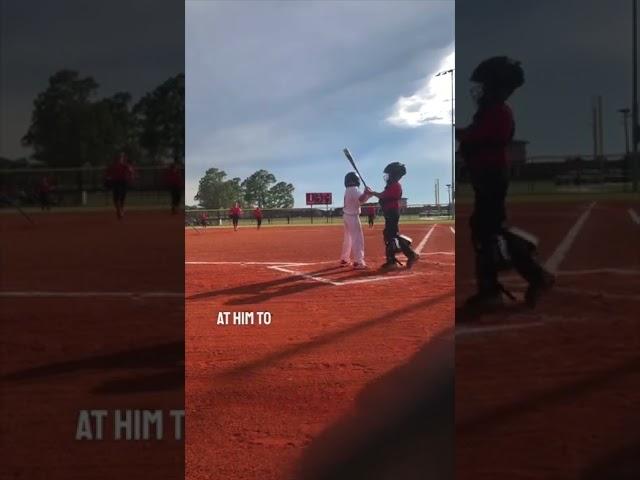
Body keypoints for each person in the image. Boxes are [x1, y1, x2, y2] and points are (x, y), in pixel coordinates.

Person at [456, 56, 554, 310]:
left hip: (491, 177)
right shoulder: (490, 111)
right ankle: (519, 281)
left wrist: (460, 135)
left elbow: (477, 138)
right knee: (487, 229)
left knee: (487, 231)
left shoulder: (498, 112)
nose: (481, 89)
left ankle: (503, 287)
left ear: (499, 86)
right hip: (486, 176)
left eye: (487, 84)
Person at [366, 163, 419, 270]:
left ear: (395, 175)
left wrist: (372, 192)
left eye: (389, 174)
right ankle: (393, 260)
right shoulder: (391, 185)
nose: (387, 176)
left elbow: (383, 195)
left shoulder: (396, 186)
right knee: (389, 235)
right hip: (389, 213)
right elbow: (383, 197)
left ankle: (408, 256)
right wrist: (373, 194)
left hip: (392, 213)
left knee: (392, 235)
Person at [340, 172, 369, 269]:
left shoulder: (348, 190)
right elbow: (361, 200)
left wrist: (368, 194)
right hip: (352, 216)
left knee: (348, 238)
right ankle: (359, 261)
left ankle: (344, 258)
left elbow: (361, 199)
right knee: (357, 239)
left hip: (346, 216)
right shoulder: (354, 189)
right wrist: (366, 193)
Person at [105, 152, 135, 220]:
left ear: (122, 158)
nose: (119, 158)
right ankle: (119, 210)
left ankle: (121, 209)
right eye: (118, 157)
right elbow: (107, 172)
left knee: (122, 197)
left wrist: (131, 177)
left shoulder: (125, 165)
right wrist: (107, 178)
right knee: (115, 198)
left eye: (121, 157)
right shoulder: (112, 165)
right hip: (115, 181)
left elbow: (131, 171)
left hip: (123, 181)